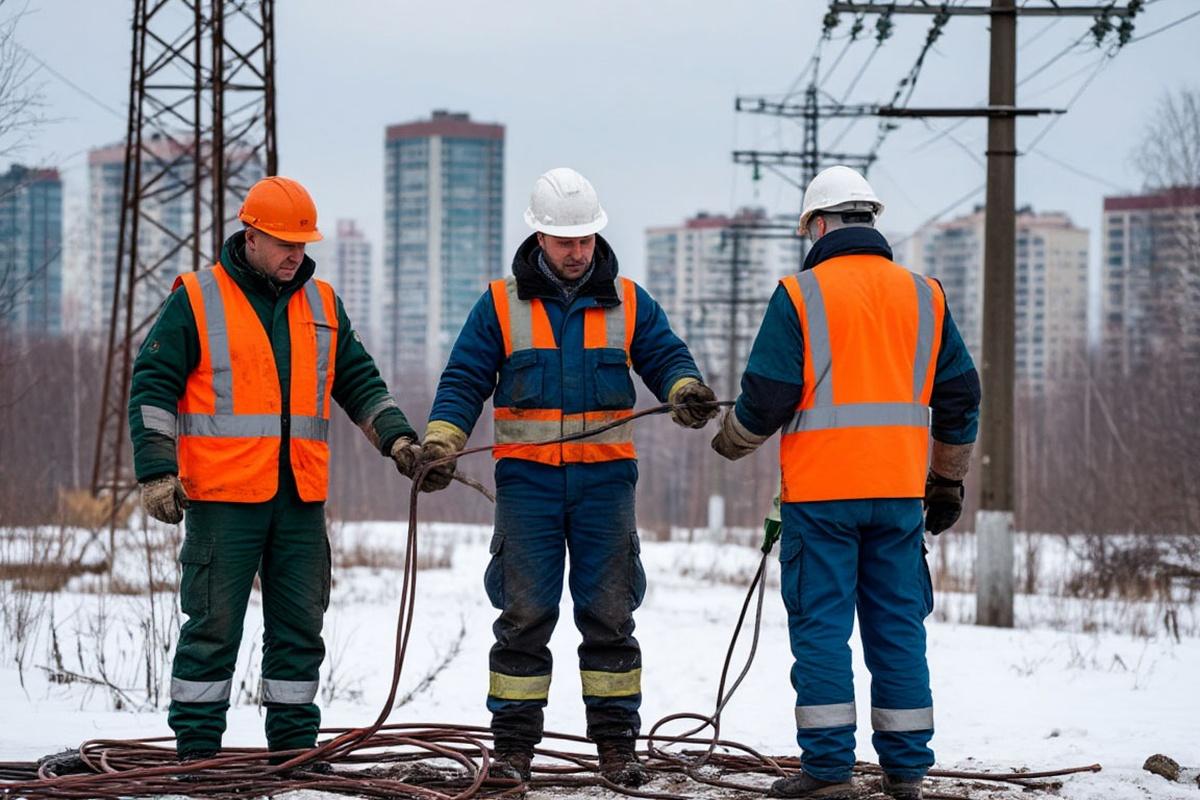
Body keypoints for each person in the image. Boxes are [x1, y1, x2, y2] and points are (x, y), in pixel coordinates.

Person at [416, 167, 718, 786]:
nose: (577, 251)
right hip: (527, 488)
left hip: (606, 486)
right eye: (564, 241)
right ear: (539, 239)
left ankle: (617, 748)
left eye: (584, 239)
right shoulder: (500, 306)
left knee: (610, 615)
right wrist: (443, 441)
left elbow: (667, 358)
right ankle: (512, 751)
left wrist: (685, 389)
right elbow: (463, 381)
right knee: (524, 617)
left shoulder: (629, 301)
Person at [128, 176, 423, 764]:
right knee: (212, 628)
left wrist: (399, 443)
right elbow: (153, 386)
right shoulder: (198, 297)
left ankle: (293, 752)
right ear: (251, 235)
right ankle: (199, 756)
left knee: (299, 631)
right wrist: (156, 472)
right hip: (221, 499)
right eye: (285, 243)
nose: (296, 255)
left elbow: (360, 383)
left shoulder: (322, 304)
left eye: (303, 244)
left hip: (299, 500)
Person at [711, 166, 981, 800]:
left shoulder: (800, 295)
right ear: (870, 222)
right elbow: (962, 397)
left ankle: (829, 771)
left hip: (822, 499)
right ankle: (907, 771)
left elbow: (767, 397)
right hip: (897, 499)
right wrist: (945, 483)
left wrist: (731, 440)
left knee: (822, 631)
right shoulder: (926, 295)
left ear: (819, 225)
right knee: (898, 629)